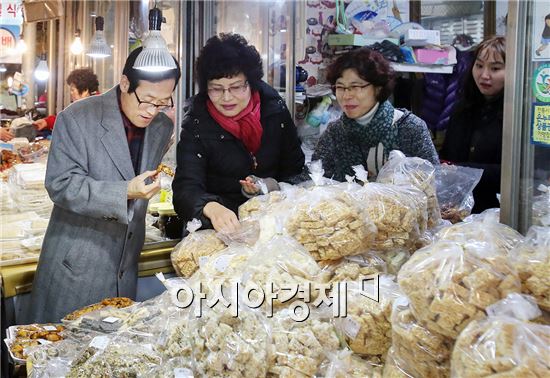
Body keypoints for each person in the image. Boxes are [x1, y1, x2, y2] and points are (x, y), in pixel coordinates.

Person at [27, 47, 181, 323]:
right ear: (124, 84)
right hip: (76, 264)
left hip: (126, 265)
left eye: (163, 103)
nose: (152, 111)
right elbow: (61, 184)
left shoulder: (160, 127)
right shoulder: (77, 117)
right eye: (146, 100)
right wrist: (125, 192)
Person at [172, 33, 304, 233]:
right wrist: (210, 207)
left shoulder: (275, 112)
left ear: (251, 83)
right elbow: (185, 189)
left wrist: (269, 186)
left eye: (236, 87)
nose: (226, 97)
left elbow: (296, 174)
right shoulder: (197, 124)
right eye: (216, 89)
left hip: (273, 227)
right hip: (218, 231)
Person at [311, 47, 438, 181]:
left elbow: (433, 181)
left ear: (378, 88)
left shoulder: (410, 128)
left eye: (355, 87)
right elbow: (314, 179)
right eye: (340, 87)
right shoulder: (334, 133)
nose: (346, 95)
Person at [440, 36, 506, 213]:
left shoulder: (517, 115)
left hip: (498, 214)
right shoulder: (463, 106)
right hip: (457, 212)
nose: (484, 75)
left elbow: (516, 173)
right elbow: (447, 155)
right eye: (479, 66)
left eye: (495, 68)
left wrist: (461, 170)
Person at [33, 68, 100, 131]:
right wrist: (46, 122)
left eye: (73, 90)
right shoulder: (84, 105)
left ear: (85, 90)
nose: (71, 93)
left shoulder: (97, 108)